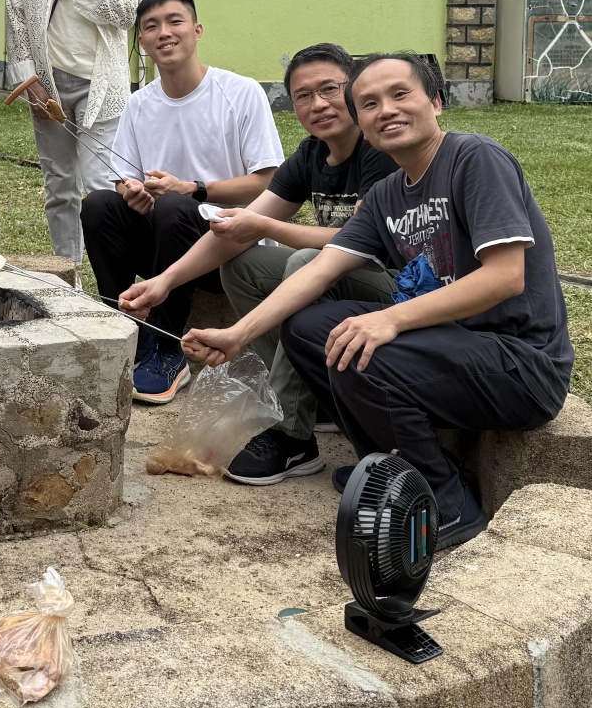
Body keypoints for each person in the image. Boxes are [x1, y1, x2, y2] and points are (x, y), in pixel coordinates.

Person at [182, 53, 575, 549]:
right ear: (362, 124)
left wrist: (390, 319)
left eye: (400, 94)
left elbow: (504, 277)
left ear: (436, 101)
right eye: (369, 104)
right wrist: (237, 336)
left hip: (520, 366)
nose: (385, 110)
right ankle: (392, 467)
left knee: (364, 345)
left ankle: (443, 502)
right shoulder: (388, 194)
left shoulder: (474, 159)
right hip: (450, 350)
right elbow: (320, 269)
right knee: (308, 330)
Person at [120, 43, 397, 483]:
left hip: (397, 288)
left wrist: (264, 226)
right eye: (303, 95)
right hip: (347, 282)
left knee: (306, 260)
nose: (318, 104)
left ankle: (292, 436)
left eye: (329, 89)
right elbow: (236, 233)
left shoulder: (378, 149)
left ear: (354, 91)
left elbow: (361, 242)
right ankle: (315, 391)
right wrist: (164, 282)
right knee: (243, 264)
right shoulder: (311, 155)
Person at [80, 0, 282, 403]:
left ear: (197, 30)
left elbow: (267, 182)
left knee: (175, 205)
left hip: (228, 250)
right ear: (141, 41)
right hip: (163, 243)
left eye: (175, 21)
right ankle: (125, 331)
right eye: (151, 26)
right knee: (98, 205)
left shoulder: (241, 92)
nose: (164, 33)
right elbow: (122, 179)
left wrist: (193, 188)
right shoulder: (139, 104)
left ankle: (166, 347)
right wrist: (131, 192)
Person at [4, 0, 138, 263]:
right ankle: (70, 274)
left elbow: (126, 13)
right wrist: (30, 81)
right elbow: (15, 15)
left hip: (102, 83)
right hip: (48, 83)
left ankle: (113, 278)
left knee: (102, 185)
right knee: (59, 185)